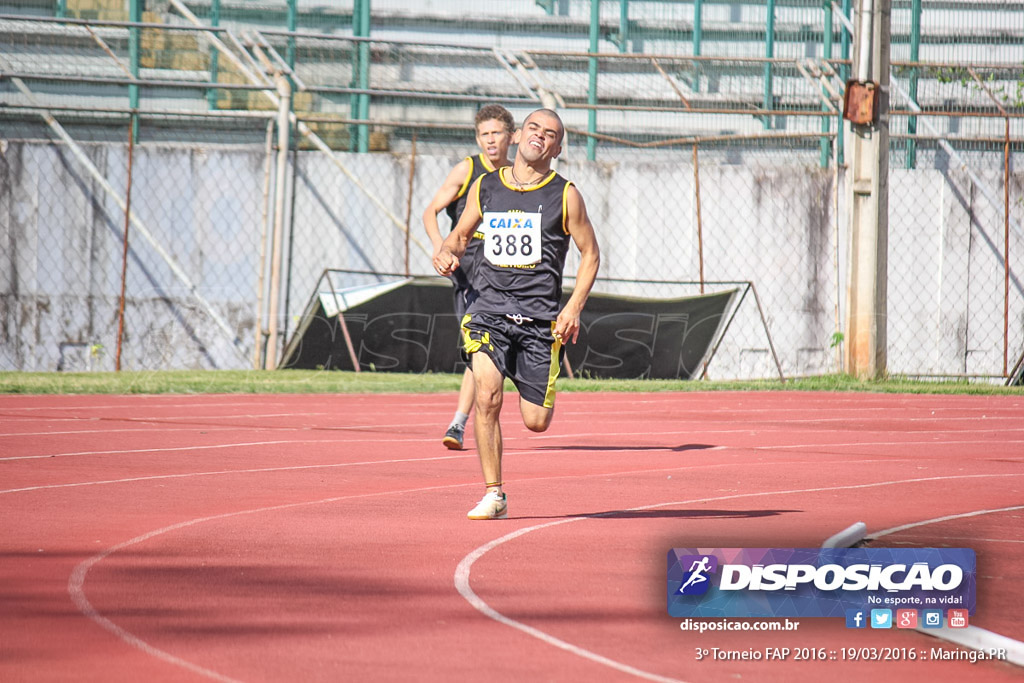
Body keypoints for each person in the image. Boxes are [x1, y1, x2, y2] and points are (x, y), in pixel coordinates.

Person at [433, 108, 600, 520]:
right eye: (534, 127)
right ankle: (495, 493)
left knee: (536, 421)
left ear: (557, 148)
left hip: (539, 320)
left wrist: (573, 307)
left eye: (550, 133)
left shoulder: (565, 195)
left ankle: (528, 373)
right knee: (487, 395)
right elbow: (461, 234)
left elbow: (591, 254)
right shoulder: (487, 186)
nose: (539, 136)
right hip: (488, 309)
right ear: (519, 135)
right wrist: (447, 251)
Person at [422, 104, 515, 451]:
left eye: (496, 134)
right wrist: (438, 247)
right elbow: (429, 211)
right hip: (468, 263)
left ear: (511, 136)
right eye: (484, 135)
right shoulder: (468, 168)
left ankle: (460, 423)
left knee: (484, 346)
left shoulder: (517, 174)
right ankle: (460, 422)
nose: (490, 141)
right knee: (479, 343)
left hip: (504, 269)